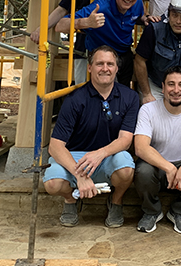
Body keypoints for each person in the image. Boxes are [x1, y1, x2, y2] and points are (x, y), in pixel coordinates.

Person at [42, 45, 141, 228]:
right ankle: (71, 200)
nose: (105, 68)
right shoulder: (74, 99)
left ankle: (116, 201)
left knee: (126, 168)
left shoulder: (130, 97)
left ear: (117, 68)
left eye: (110, 64)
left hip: (107, 156)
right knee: (52, 183)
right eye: (99, 64)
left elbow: (125, 140)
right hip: (76, 157)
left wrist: (100, 153)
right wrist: (79, 174)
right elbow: (55, 146)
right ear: (89, 67)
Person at [133, 66, 181, 234]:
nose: (176, 90)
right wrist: (168, 167)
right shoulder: (148, 110)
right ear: (163, 87)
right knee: (143, 172)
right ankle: (151, 212)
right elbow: (140, 147)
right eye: (171, 84)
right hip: (156, 167)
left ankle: (180, 212)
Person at [55, 0, 145, 86]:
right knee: (103, 92)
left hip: (124, 52)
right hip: (102, 53)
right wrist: (86, 22)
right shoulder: (100, 7)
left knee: (123, 92)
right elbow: (60, 25)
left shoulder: (137, 2)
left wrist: (146, 19)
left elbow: (140, 15)